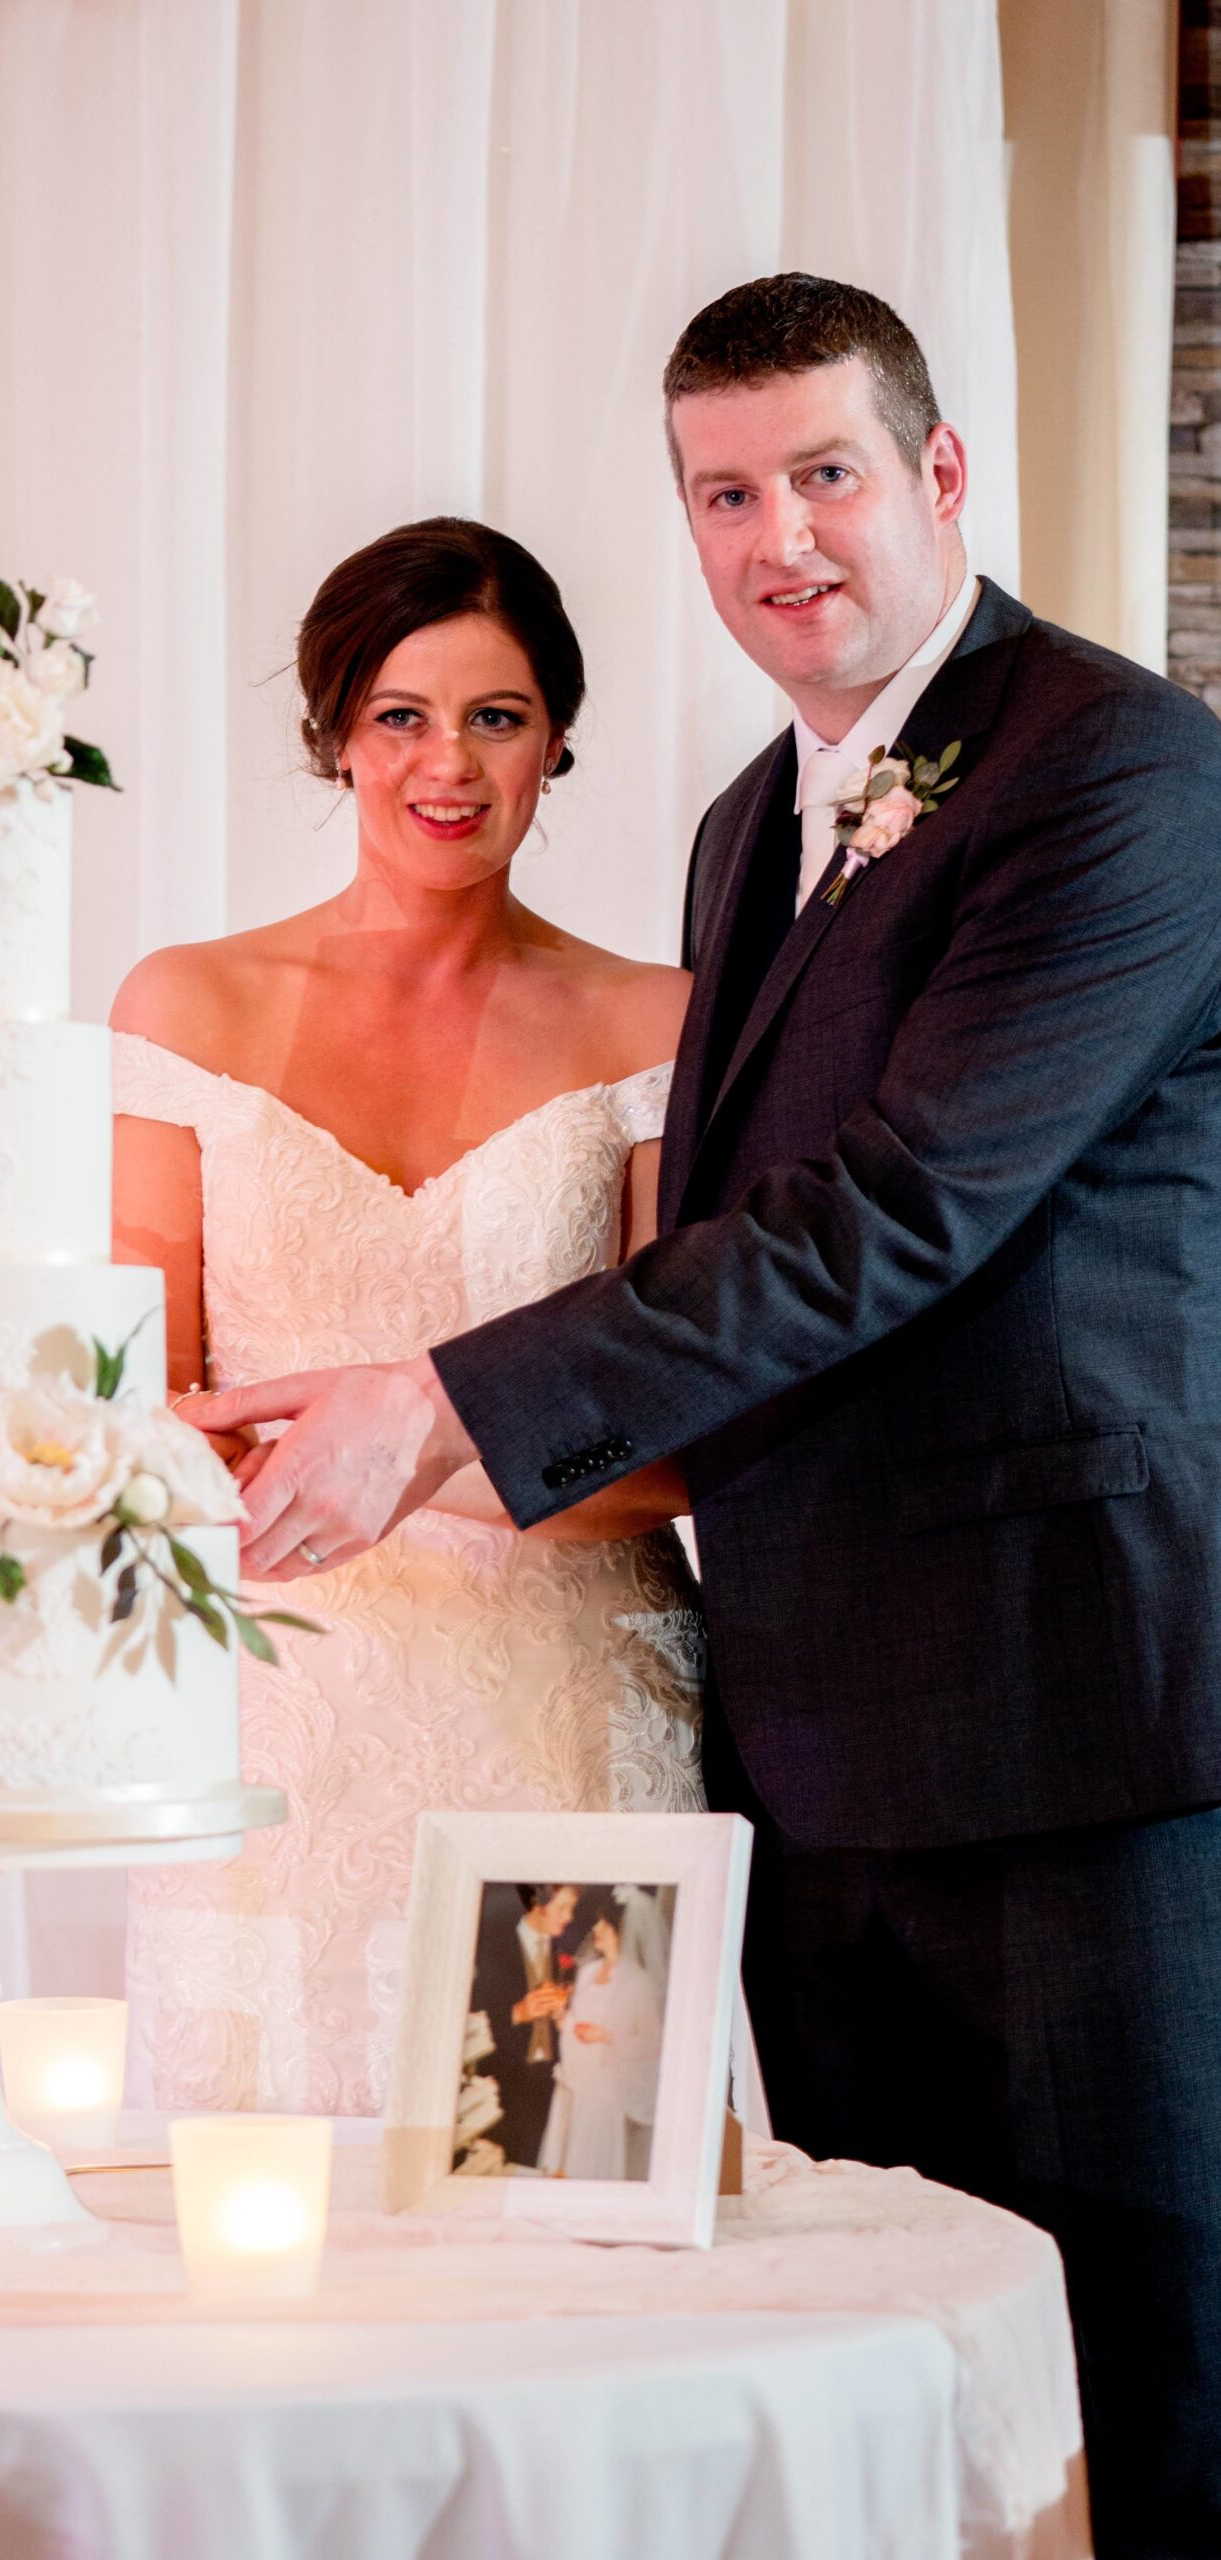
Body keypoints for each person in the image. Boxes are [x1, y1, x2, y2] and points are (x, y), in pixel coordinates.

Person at [193, 275, 1221, 2554]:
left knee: (1131, 2394)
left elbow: (897, 1208)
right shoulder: (749, 823)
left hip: (1067, 1725)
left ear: (938, 475)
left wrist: (441, 1399)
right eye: (722, 491)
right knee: (879, 2389)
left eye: (824, 471)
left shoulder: (1121, 770)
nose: (780, 536)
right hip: (794, 1735)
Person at [111, 517, 704, 2117]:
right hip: (273, 1723)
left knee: (560, 2193)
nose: (447, 764)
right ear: (334, 739)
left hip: (573, 1717)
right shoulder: (187, 1007)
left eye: (496, 718)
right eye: (400, 716)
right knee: (265, 2241)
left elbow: (687, 1432)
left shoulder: (654, 1022)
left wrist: (414, 1450)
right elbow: (144, 1408)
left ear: (556, 743)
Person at [537, 1908, 663, 2182]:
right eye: (597, 1926)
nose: (596, 1932)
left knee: (587, 2166)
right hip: (573, 2081)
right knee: (559, 2162)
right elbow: (573, 2026)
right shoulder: (587, 1972)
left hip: (604, 2089)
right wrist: (560, 2014)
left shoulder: (638, 1982)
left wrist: (607, 2035)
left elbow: (651, 2043)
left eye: (604, 1928)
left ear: (620, 1933)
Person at [470, 1882, 579, 2169]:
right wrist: (517, 2012)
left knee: (533, 2165)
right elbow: (468, 2014)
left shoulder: (563, 1954)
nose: (569, 1917)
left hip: (547, 2080)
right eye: (562, 1908)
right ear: (538, 1906)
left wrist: (562, 2011)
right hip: (502, 2080)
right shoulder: (491, 1946)